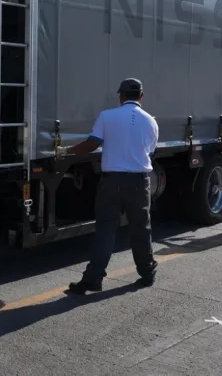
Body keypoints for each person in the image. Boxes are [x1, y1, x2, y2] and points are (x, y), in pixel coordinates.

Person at [63, 78, 160, 294]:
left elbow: (92, 144)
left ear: (121, 96)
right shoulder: (151, 122)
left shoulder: (107, 116)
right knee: (141, 229)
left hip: (112, 182)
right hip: (139, 182)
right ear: (141, 97)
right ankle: (147, 273)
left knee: (106, 230)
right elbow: (150, 152)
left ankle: (93, 279)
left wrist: (66, 151)